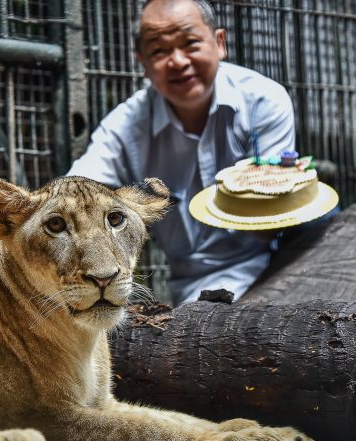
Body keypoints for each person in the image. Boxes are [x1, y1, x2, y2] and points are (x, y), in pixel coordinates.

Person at [68, 0, 295, 306]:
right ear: (143, 62)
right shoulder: (125, 126)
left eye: (190, 43)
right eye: (159, 51)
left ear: (219, 43)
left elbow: (279, 213)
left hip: (281, 254)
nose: (177, 60)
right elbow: (72, 191)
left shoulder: (263, 100)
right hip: (196, 283)